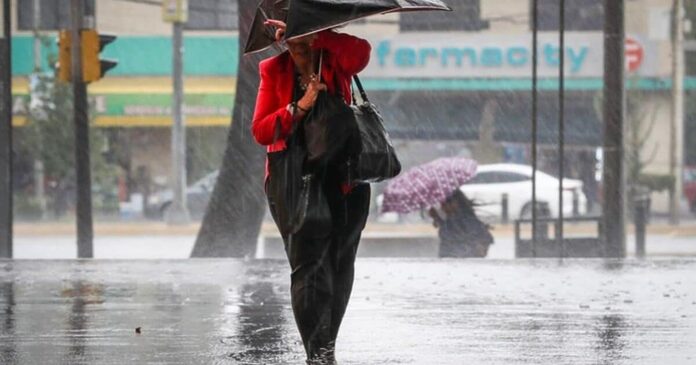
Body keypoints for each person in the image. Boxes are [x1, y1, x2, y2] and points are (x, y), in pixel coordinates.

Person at [251, 19, 371, 365]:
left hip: (346, 177)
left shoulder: (335, 58)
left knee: (340, 262)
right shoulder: (273, 70)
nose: (298, 50)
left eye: (303, 42)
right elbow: (261, 130)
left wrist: (319, 33)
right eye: (292, 43)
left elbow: (362, 53)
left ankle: (327, 344)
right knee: (308, 267)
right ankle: (316, 352)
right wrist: (301, 105)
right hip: (294, 179)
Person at [429, 190, 494, 258]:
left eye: (446, 203)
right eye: (442, 204)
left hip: (459, 260)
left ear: (456, 203)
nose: (443, 206)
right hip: (450, 260)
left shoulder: (466, 220)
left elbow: (484, 239)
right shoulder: (451, 219)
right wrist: (437, 218)